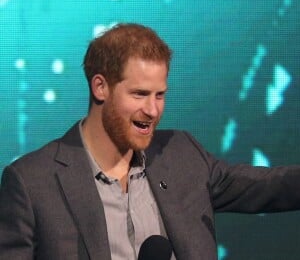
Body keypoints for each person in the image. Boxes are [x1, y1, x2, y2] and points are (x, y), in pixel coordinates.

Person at [0, 23, 300, 260]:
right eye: (140, 94)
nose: (153, 110)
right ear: (100, 87)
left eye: (160, 95)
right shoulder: (32, 183)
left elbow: (268, 186)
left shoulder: (180, 154)